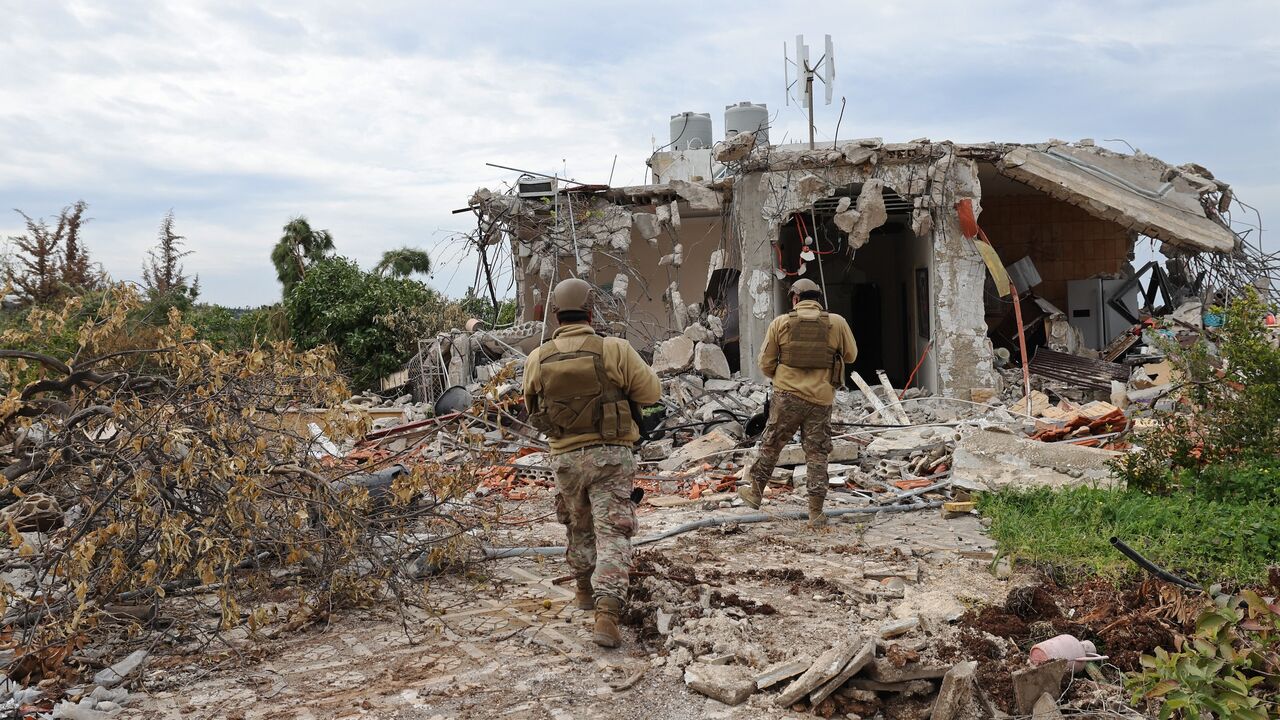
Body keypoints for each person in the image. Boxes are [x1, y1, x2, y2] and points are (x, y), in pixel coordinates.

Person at [523, 278, 661, 648]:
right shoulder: (614, 349)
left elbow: (532, 408)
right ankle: (607, 613)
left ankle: (584, 589)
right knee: (613, 532)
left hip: (565, 458)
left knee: (577, 523)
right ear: (591, 311)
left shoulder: (539, 357)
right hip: (611, 456)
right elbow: (651, 393)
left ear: (556, 315)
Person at [738, 278, 857, 528]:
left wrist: (783, 378)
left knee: (771, 444)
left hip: (787, 397)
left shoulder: (781, 323)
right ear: (818, 300)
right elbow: (851, 355)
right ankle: (816, 512)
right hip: (821, 399)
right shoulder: (837, 323)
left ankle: (755, 493)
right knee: (817, 453)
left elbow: (765, 363)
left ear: (794, 299)